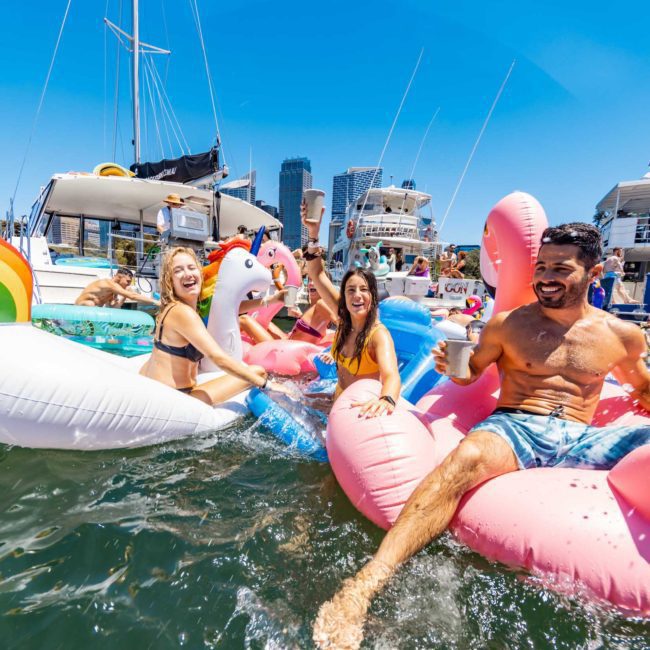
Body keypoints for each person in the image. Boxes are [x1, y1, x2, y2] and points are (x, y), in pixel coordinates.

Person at [313, 223, 650, 649]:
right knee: (464, 460)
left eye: (560, 269)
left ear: (593, 271)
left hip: (582, 436)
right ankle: (363, 586)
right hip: (518, 424)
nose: (545, 277)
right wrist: (450, 365)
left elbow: (640, 386)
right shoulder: (509, 325)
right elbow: (472, 372)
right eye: (541, 266)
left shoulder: (622, 335)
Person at [140, 247, 286, 403]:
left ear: (200, 273)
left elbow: (229, 307)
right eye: (178, 271)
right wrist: (267, 385)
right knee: (259, 372)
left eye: (191, 268)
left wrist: (271, 300)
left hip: (159, 388)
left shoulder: (181, 307)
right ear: (170, 281)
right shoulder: (183, 313)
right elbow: (218, 358)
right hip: (177, 398)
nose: (188, 274)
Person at [301, 197, 401, 416]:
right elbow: (316, 273)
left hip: (355, 411)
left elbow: (392, 375)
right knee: (288, 396)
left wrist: (386, 399)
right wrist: (313, 233)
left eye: (364, 290)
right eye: (351, 290)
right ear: (344, 296)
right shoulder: (344, 319)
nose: (357, 296)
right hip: (336, 398)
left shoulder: (377, 335)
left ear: (373, 297)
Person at [240, 279, 338, 344]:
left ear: (326, 286)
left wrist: (331, 352)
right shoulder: (313, 307)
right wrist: (300, 317)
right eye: (310, 280)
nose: (311, 283)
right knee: (262, 321)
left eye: (316, 281)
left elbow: (345, 325)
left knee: (244, 319)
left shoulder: (322, 304)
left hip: (287, 351)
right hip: (288, 341)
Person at [75, 268, 159, 308]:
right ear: (119, 277)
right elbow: (133, 296)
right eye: (128, 281)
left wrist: (124, 296)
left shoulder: (112, 292)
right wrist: (155, 301)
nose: (128, 284)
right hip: (80, 309)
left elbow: (114, 308)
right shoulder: (108, 283)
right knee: (90, 304)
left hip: (93, 314)